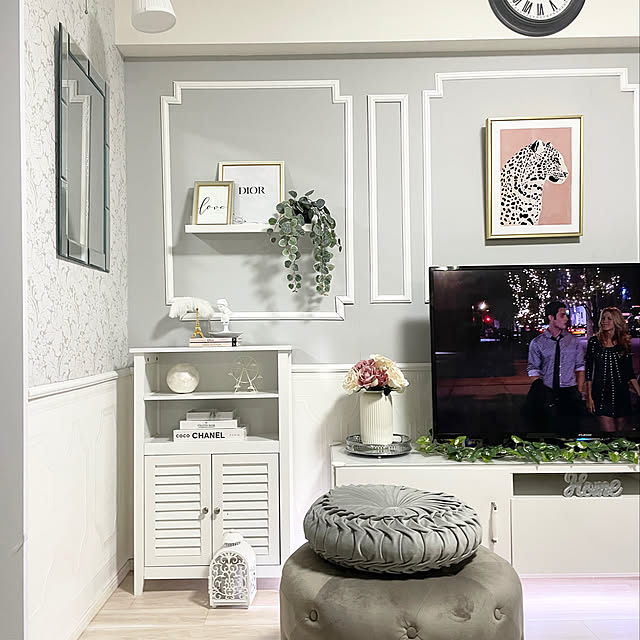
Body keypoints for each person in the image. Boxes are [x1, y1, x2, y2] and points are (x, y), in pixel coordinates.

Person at [526, 300, 586, 434]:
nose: (566, 319)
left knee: (571, 431)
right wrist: (541, 391)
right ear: (551, 318)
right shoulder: (537, 343)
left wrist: (579, 392)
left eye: (566, 315)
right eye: (562, 315)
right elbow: (533, 368)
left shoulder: (573, 341)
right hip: (548, 391)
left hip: (569, 392)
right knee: (549, 431)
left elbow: (580, 367)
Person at [585, 307, 640, 432]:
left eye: (609, 318)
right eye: (603, 318)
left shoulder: (623, 343)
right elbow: (589, 372)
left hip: (621, 394)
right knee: (609, 434)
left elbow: (629, 373)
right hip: (601, 394)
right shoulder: (594, 342)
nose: (605, 321)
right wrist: (589, 397)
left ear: (616, 321)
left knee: (621, 435)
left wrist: (638, 392)